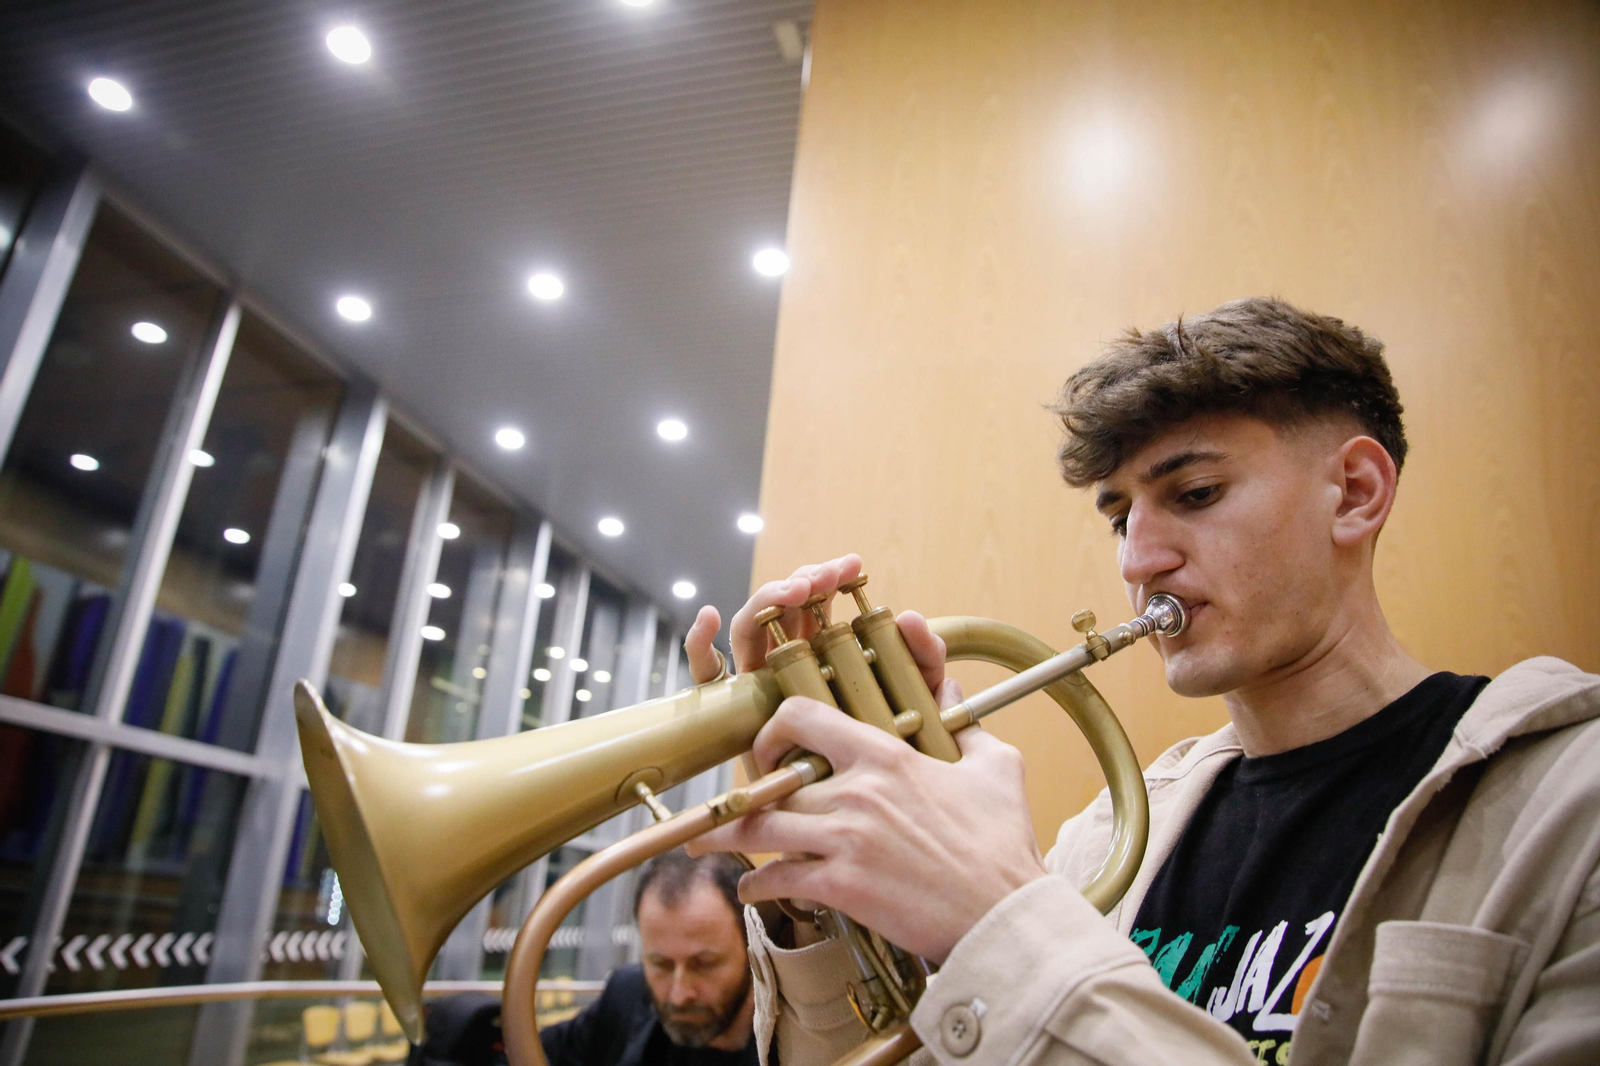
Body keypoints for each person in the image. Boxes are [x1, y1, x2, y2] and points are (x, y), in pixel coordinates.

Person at [680, 297, 1600, 1066]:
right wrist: (831, 891)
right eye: (1120, 517)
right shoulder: (1117, 835)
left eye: (1195, 494)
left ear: (1356, 492)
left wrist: (1004, 920)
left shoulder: (1569, 808)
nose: (1139, 559)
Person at [539, 848, 764, 1066]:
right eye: (661, 965)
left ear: (753, 950)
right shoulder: (627, 996)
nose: (679, 996)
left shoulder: (785, 1045)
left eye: (704, 964)